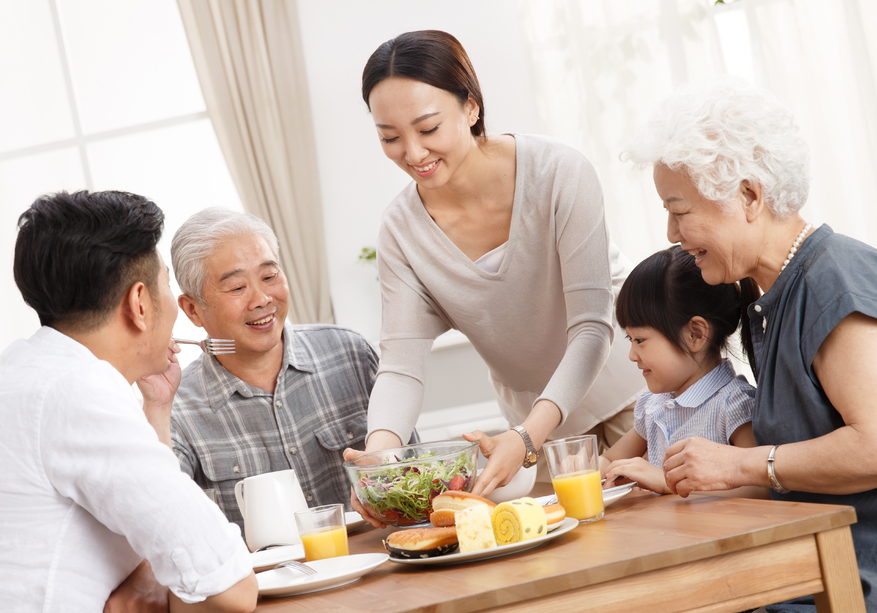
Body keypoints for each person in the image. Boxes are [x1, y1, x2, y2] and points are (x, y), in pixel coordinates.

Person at [349, 29, 645, 516]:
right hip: (533, 438)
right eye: (389, 137)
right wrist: (378, 459)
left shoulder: (558, 173)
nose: (413, 153)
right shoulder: (401, 230)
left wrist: (529, 434)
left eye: (427, 129)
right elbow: (400, 365)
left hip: (629, 402)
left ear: (471, 108)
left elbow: (592, 327)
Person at [624, 78, 877, 611]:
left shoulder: (832, 281)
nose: (671, 231)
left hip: (850, 578)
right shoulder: (770, 297)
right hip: (801, 567)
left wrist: (738, 466)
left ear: (749, 196)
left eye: (679, 208)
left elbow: (873, 445)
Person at [0, 191, 257, 613]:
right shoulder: (77, 391)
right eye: (166, 285)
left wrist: (157, 409)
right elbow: (230, 585)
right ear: (139, 304)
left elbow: (154, 527)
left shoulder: (13, 374)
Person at [168, 207, 388, 534]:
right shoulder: (177, 409)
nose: (261, 299)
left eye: (269, 277)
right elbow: (168, 525)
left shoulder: (350, 353)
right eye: (237, 287)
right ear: (192, 309)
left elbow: (413, 474)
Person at [600, 245, 764, 498]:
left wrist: (669, 484)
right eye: (629, 339)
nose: (632, 355)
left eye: (640, 340)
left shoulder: (734, 405)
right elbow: (609, 461)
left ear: (695, 334)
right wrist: (583, 469)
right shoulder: (651, 405)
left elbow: (760, 487)